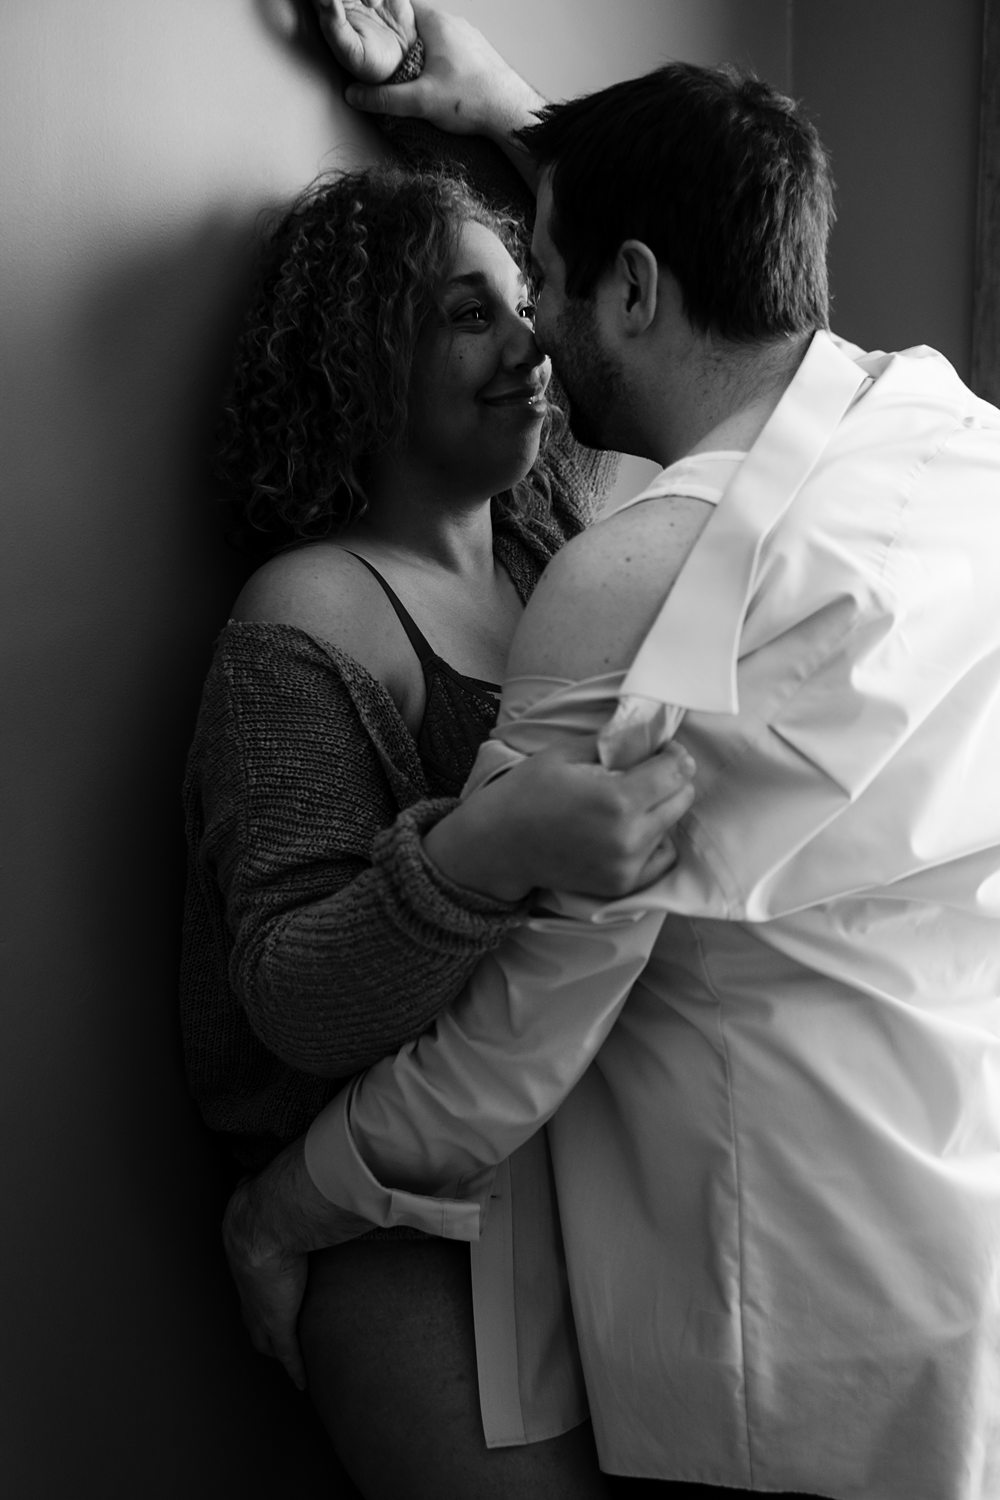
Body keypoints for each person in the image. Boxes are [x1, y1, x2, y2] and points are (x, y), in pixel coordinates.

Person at [224, 5, 1000, 1499]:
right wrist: (535, 125)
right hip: (959, 1217)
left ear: (632, 288)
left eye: (546, 280)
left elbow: (519, 1038)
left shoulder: (632, 575)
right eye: (480, 304)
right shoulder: (950, 436)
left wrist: (284, 1210)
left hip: (804, 1291)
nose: (534, 334)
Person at [180, 11, 697, 1498]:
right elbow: (286, 994)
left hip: (560, 1161)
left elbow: (685, 303)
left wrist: (498, 108)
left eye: (517, 295)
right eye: (469, 317)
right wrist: (493, 846)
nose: (534, 339)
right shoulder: (311, 617)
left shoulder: (560, 541)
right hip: (378, 1225)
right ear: (361, 366)